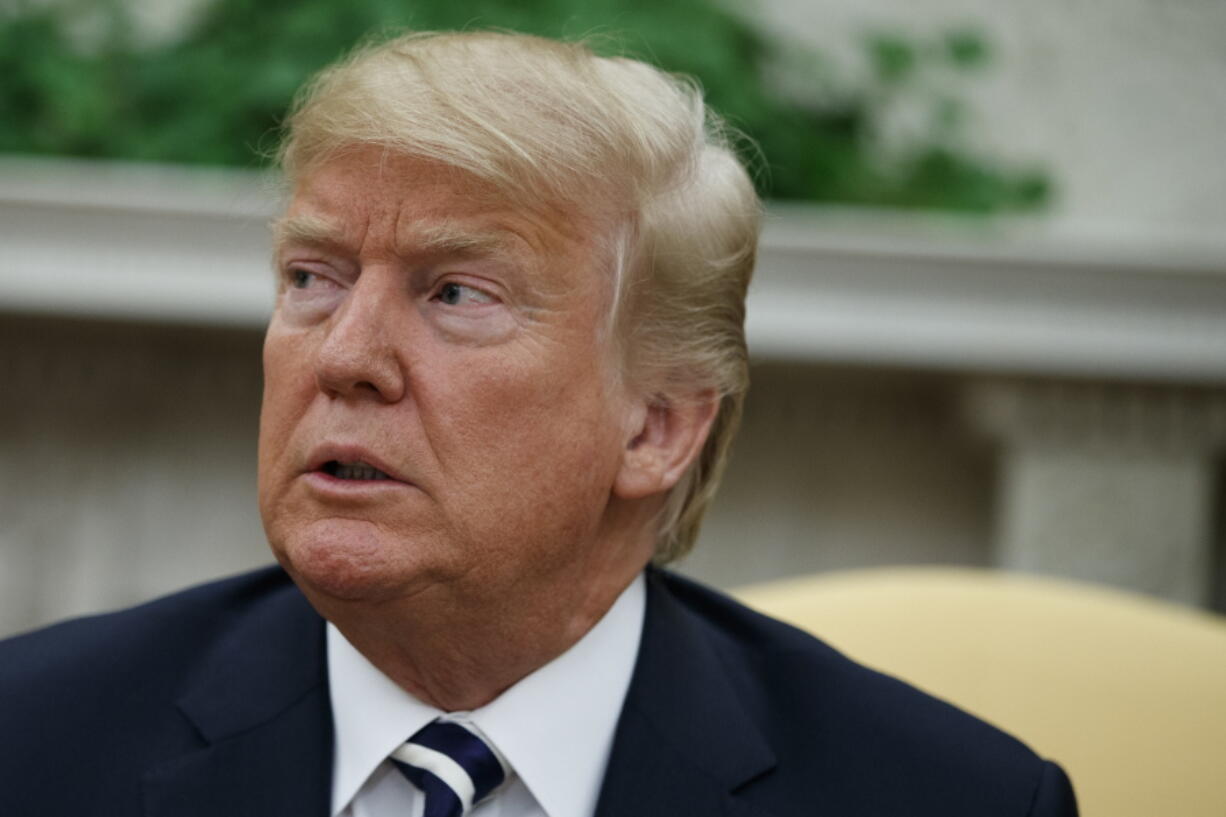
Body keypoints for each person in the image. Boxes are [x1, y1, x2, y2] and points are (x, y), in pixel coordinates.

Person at [0, 30, 1076, 817]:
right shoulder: (31, 741)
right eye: (313, 277)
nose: (344, 356)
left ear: (655, 427)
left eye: (455, 294)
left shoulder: (946, 798)